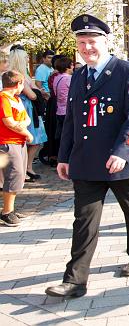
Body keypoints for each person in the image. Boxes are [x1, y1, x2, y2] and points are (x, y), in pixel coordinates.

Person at [45, 14, 129, 298]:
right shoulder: (78, 75)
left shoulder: (127, 72)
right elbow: (71, 121)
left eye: (92, 41)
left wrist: (121, 152)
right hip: (87, 161)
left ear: (105, 41)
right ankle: (75, 280)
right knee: (84, 220)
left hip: (119, 160)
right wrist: (63, 156)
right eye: (81, 42)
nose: (87, 47)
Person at [8, 46, 47, 181]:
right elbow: (32, 95)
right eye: (25, 57)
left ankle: (27, 167)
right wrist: (37, 93)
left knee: (33, 140)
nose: (27, 59)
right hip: (25, 110)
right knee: (28, 139)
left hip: (29, 109)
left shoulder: (23, 74)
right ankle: (25, 168)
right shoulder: (16, 74)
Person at [0, 71, 33, 227]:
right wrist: (26, 132)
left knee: (18, 176)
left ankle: (10, 209)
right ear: (19, 84)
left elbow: (25, 118)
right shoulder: (3, 99)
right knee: (14, 175)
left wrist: (22, 127)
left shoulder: (16, 99)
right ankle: (6, 212)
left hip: (18, 142)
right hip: (7, 142)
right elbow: (9, 122)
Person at [52, 57, 74, 167]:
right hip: (67, 110)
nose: (73, 66)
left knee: (61, 136)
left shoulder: (57, 78)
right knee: (70, 135)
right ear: (67, 67)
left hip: (59, 110)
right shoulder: (68, 79)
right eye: (72, 64)